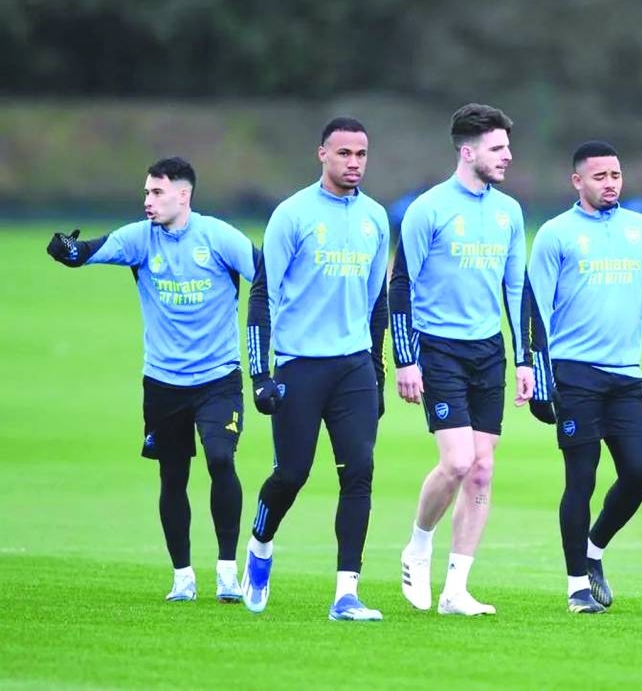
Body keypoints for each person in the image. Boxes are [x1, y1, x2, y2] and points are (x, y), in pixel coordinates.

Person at [45, 157, 256, 603]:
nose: (147, 201)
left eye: (156, 192)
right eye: (146, 192)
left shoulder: (219, 237)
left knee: (221, 458)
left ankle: (226, 572)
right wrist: (66, 250)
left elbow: (268, 279)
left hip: (219, 378)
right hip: (162, 382)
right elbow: (89, 252)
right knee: (172, 475)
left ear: (184, 195)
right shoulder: (138, 239)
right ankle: (182, 576)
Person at [240, 117, 389, 621]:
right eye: (344, 153)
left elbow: (377, 304)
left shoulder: (374, 218)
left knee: (360, 474)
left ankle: (346, 593)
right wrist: (261, 375)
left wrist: (378, 370)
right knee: (292, 474)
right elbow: (262, 295)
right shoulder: (292, 215)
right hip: (299, 366)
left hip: (352, 370)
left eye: (361, 154)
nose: (354, 163)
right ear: (321, 154)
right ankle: (259, 547)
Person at [528, 141, 642, 614]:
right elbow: (534, 310)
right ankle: (577, 586)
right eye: (599, 176)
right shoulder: (555, 234)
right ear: (578, 181)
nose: (610, 183)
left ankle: (594, 551)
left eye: (615, 174)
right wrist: (539, 378)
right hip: (574, 375)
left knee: (639, 472)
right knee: (582, 479)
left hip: (626, 379)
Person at [390, 103, 533, 616]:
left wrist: (525, 360)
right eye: (498, 149)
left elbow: (516, 289)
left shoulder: (509, 213)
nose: (508, 157)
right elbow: (400, 285)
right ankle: (418, 546)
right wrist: (406, 359)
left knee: (482, 471)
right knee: (456, 462)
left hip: (487, 350)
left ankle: (456, 590)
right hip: (438, 348)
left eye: (508, 148)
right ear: (467, 151)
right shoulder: (428, 208)